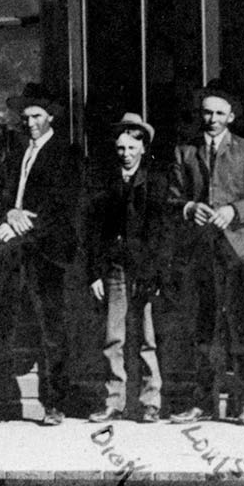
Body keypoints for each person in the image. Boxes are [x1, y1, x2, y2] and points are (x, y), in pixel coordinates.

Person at [0, 84, 82, 428]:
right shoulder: (15, 152)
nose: (30, 123)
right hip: (11, 253)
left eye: (37, 117)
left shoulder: (66, 154)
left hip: (47, 253)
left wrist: (23, 226)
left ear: (51, 117)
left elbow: (63, 207)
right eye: (26, 117)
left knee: (52, 329)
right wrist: (8, 214)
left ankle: (55, 404)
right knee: (1, 326)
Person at [166, 82, 244, 425]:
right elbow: (171, 200)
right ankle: (202, 402)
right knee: (204, 327)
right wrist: (188, 208)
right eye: (207, 113)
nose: (212, 119)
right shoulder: (186, 151)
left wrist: (234, 211)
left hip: (238, 251)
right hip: (201, 250)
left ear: (231, 117)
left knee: (240, 327)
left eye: (219, 113)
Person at [82, 113, 168, 424]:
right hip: (114, 267)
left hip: (144, 269)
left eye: (132, 148)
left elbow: (161, 232)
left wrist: (155, 274)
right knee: (113, 336)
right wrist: (95, 273)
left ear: (143, 148)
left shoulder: (155, 183)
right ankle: (113, 401)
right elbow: (93, 232)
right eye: (121, 148)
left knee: (146, 337)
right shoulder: (105, 184)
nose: (126, 154)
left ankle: (150, 402)